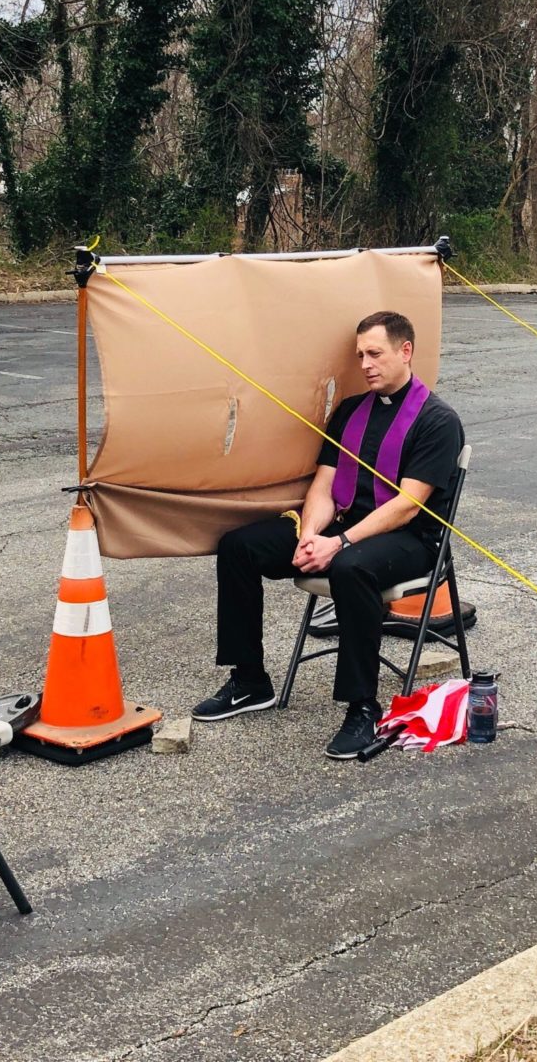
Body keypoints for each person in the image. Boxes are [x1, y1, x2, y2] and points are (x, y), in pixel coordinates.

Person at [193, 310, 466, 758]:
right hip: (342, 524)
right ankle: (250, 681)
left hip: (412, 539)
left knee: (350, 567)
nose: (366, 364)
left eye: (375, 353)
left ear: (406, 351)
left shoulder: (437, 420)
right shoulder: (351, 411)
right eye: (360, 355)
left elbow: (408, 504)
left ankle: (363, 708)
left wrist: (338, 544)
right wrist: (310, 533)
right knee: (239, 547)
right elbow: (324, 484)